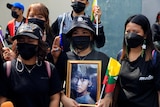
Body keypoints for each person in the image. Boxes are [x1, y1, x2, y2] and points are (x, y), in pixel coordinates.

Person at [51, 15, 111, 107]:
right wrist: (63, 98)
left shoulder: (103, 59)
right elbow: (55, 83)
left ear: (91, 36)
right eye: (75, 33)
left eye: (84, 32)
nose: (80, 36)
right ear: (71, 36)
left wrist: (107, 98)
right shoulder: (65, 57)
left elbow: (111, 84)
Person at [0, 23, 62, 107]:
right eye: (21, 40)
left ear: (39, 44)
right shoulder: (7, 68)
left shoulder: (49, 69)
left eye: (30, 41)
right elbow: (3, 99)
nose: (25, 43)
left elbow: (54, 98)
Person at [114, 14, 160, 107]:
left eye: (135, 32)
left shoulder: (154, 57)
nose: (131, 35)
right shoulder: (120, 56)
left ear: (145, 34)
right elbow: (115, 85)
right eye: (128, 31)